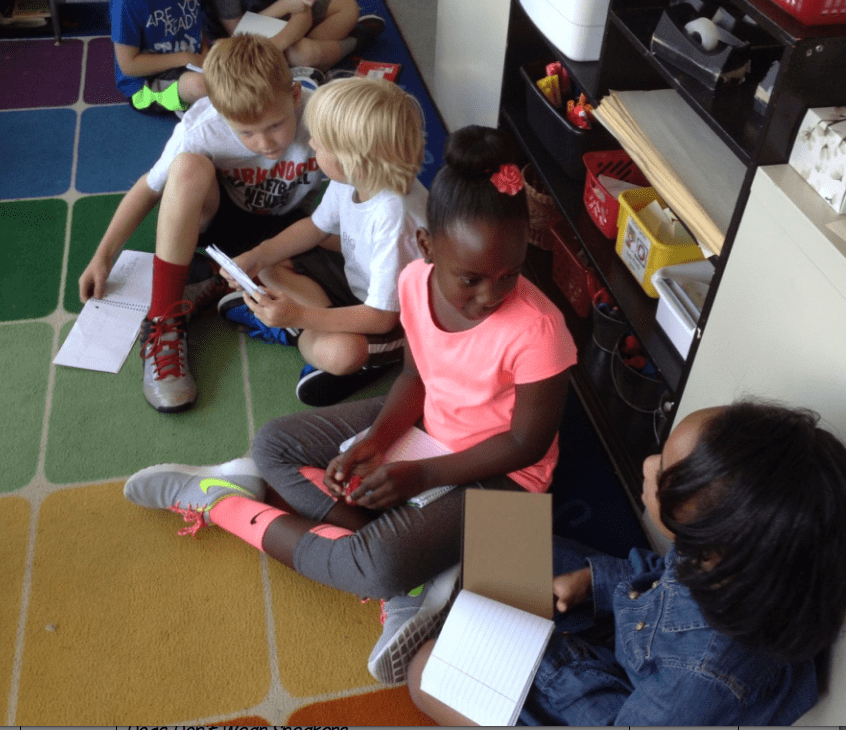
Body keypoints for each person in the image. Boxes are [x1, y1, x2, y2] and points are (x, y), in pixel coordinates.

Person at [120, 125, 579, 685]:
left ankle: (225, 506)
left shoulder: (539, 330)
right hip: (432, 425)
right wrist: (378, 441)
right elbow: (415, 375)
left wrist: (418, 475)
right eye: (471, 279)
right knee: (274, 444)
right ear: (427, 248)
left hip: (502, 476)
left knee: (374, 566)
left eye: (510, 274)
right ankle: (416, 559)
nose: (491, 295)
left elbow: (526, 444)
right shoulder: (415, 282)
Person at [405, 400, 846, 725]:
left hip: (619, 704)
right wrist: (592, 583)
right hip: (640, 639)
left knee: (424, 672)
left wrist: (555, 664)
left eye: (662, 472)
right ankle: (470, 608)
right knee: (506, 531)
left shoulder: (702, 680)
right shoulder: (733, 560)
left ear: (711, 549)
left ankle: (460, 615)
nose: (647, 463)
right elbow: (662, 579)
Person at [78, 34, 324, 413]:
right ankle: (163, 318)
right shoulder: (203, 127)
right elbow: (147, 189)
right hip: (222, 223)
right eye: (246, 133)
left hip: (291, 232)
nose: (265, 144)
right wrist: (103, 256)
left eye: (275, 125)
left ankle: (219, 283)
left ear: (294, 96)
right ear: (222, 114)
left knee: (326, 311)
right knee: (188, 167)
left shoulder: (323, 113)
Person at [215, 75, 428, 407]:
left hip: (398, 320)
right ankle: (307, 328)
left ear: (353, 158)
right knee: (271, 265)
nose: (312, 144)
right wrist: (257, 256)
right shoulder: (354, 178)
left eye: (321, 142)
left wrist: (298, 316)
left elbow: (382, 317)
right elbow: (315, 228)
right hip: (359, 286)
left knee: (340, 353)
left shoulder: (394, 214)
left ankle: (303, 336)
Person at [209, 0, 385, 71]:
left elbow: (303, 9)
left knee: (348, 8)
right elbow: (239, 34)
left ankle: (317, 59)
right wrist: (281, 8)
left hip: (294, 22)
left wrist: (289, 35)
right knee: (303, 54)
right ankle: (357, 39)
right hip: (256, 41)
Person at [110, 0, 208, 115]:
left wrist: (207, 57)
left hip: (191, 62)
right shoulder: (125, 4)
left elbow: (198, 27)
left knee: (221, 75)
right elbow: (129, 66)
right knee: (201, 85)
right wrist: (185, 59)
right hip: (145, 87)